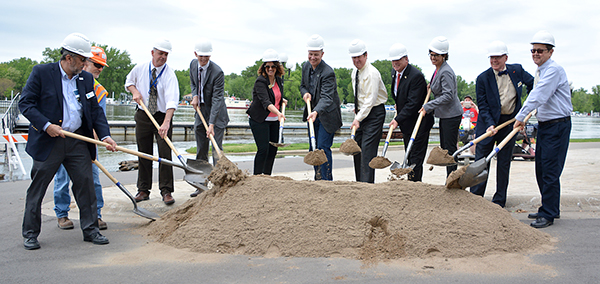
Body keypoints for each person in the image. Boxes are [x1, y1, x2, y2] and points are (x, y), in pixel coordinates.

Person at [19, 33, 117, 250]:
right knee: (38, 188)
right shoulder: (42, 73)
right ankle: (30, 234)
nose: (86, 64)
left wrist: (105, 136)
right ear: (69, 58)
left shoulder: (86, 79)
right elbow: (26, 104)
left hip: (77, 142)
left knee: (86, 186)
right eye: (83, 60)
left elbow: (94, 112)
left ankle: (91, 230)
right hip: (49, 140)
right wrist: (46, 125)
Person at [514, 31, 572, 228]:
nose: (536, 54)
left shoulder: (554, 70)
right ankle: (546, 207)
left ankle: (549, 213)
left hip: (558, 125)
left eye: (540, 50)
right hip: (546, 125)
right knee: (540, 168)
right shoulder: (541, 70)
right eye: (533, 50)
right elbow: (540, 99)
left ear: (550, 52)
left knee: (550, 170)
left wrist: (520, 116)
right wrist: (528, 115)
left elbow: (539, 94)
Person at [52, 46, 111, 230]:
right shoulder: (66, 82)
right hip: (64, 137)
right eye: (96, 64)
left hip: (87, 141)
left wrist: (94, 141)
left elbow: (98, 119)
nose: (99, 69)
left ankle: (96, 214)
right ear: (84, 62)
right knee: (62, 178)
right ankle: (62, 214)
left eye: (102, 66)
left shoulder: (99, 91)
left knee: (93, 178)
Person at [470, 41, 534, 208]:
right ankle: (476, 198)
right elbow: (482, 106)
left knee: (504, 162)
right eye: (492, 58)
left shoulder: (517, 70)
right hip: (488, 123)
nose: (494, 61)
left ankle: (499, 201)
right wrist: (490, 125)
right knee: (482, 160)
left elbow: (534, 85)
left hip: (510, 123)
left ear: (506, 57)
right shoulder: (482, 78)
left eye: (497, 58)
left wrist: (527, 108)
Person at [125, 39, 179, 205]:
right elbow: (129, 82)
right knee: (144, 152)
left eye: (165, 54)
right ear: (152, 53)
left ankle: (166, 190)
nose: (162, 57)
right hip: (143, 114)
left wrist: (166, 123)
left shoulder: (169, 75)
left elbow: (172, 101)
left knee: (165, 153)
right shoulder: (140, 68)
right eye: (160, 53)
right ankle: (143, 189)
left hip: (162, 116)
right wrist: (134, 92)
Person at [387, 43, 434, 182]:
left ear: (406, 59)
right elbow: (400, 94)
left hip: (419, 123)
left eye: (398, 59)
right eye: (393, 60)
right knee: (408, 154)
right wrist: (398, 103)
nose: (395, 63)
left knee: (416, 158)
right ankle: (410, 183)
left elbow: (413, 103)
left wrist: (397, 119)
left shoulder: (416, 76)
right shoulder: (394, 73)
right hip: (407, 124)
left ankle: (415, 185)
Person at [189, 38, 229, 197]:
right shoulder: (193, 64)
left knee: (216, 150)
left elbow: (217, 99)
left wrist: (211, 124)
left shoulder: (217, 72)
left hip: (217, 114)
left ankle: (219, 185)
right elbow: (193, 83)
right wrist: (195, 95)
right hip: (201, 111)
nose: (204, 59)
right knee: (201, 151)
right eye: (201, 57)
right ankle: (200, 185)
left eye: (207, 56)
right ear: (195, 54)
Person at [301, 34, 342, 181]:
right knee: (313, 149)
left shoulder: (328, 72)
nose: (313, 57)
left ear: (322, 54)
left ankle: (326, 180)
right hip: (313, 114)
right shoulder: (305, 66)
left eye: (316, 55)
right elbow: (302, 86)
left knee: (323, 148)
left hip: (327, 116)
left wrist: (316, 111)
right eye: (310, 54)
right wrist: (305, 93)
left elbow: (327, 97)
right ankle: (317, 177)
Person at [421, 36, 463, 177]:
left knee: (449, 149)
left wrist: (428, 106)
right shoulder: (437, 69)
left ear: (444, 55)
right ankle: (450, 177)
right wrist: (431, 86)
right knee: (445, 148)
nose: (433, 58)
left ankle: (452, 178)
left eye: (436, 55)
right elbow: (438, 86)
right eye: (431, 54)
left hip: (452, 115)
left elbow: (448, 96)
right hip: (445, 115)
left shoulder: (445, 71)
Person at [349, 39, 388, 183]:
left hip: (375, 114)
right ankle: (360, 182)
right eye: (354, 57)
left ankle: (367, 185)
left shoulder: (372, 73)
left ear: (366, 55)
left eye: (359, 56)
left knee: (367, 151)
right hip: (362, 113)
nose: (357, 60)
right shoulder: (355, 72)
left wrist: (358, 118)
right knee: (356, 149)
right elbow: (360, 95)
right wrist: (357, 110)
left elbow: (371, 100)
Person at [246, 49, 287, 175]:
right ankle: (257, 177)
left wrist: (281, 101)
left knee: (272, 150)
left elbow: (275, 97)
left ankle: (267, 177)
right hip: (259, 120)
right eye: (267, 66)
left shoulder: (278, 80)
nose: (270, 69)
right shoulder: (260, 81)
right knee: (263, 149)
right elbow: (266, 101)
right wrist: (279, 113)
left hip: (274, 120)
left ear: (277, 67)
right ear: (263, 67)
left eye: (273, 66)